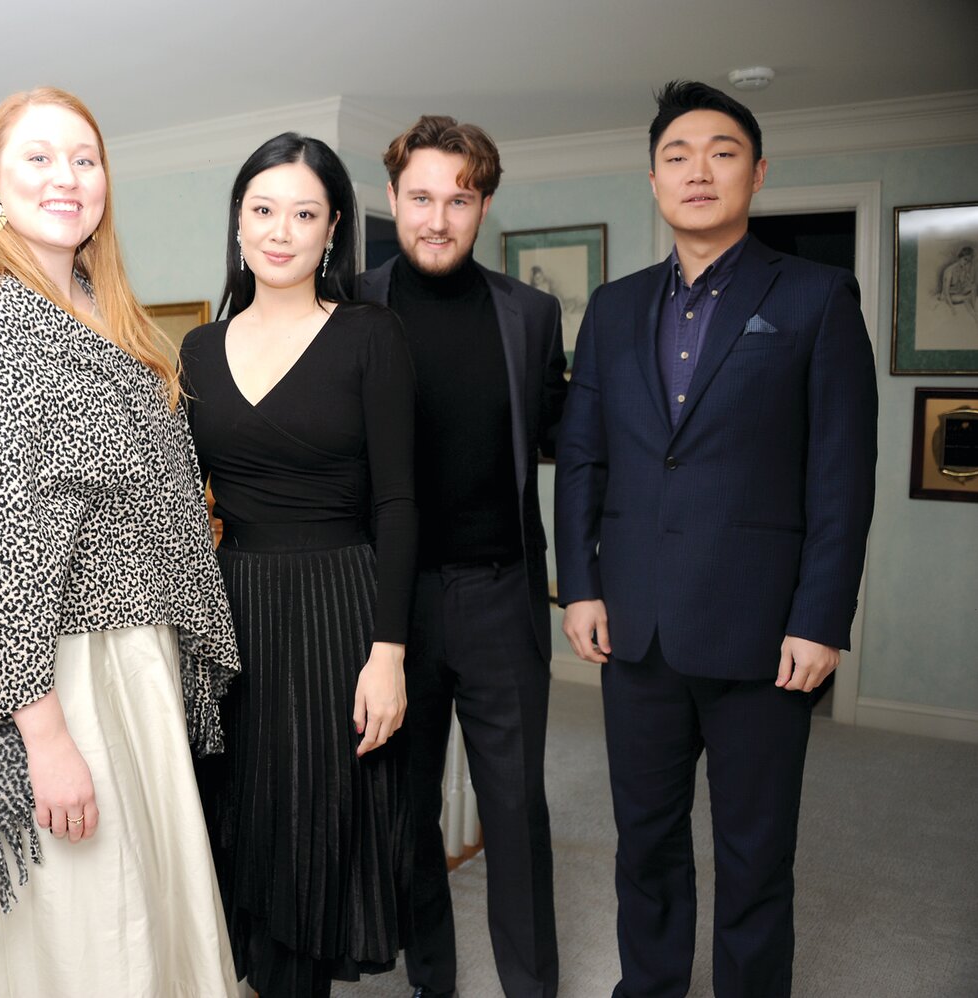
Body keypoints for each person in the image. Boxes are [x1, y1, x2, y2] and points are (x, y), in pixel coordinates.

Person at [0, 87, 241, 997]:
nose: (68, 177)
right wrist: (44, 737)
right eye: (39, 158)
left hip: (131, 663)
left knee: (146, 915)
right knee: (88, 933)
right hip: (50, 682)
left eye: (84, 159)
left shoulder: (106, 313)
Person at [554, 80, 877, 998]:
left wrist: (820, 619)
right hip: (637, 630)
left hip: (763, 634)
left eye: (722, 152)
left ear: (757, 172)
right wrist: (579, 585)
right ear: (652, 179)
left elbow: (840, 476)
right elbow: (582, 458)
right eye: (676, 155)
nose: (698, 171)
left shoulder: (815, 297)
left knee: (753, 854)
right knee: (645, 843)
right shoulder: (613, 308)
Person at [181, 132, 418, 998]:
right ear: (239, 224)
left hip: (340, 609)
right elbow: (175, 510)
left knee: (316, 835)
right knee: (241, 827)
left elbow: (397, 503)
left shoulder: (368, 334)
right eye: (263, 209)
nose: (281, 231)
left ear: (332, 231)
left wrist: (387, 653)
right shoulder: (198, 351)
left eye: (304, 213)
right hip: (234, 610)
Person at [358, 114, 567, 998]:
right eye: (419, 198)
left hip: (499, 595)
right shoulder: (351, 307)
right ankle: (429, 983)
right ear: (394, 199)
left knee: (515, 811)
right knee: (403, 818)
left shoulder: (530, 315)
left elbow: (565, 443)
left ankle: (532, 986)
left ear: (483, 205)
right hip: (390, 608)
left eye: (459, 199)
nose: (437, 219)